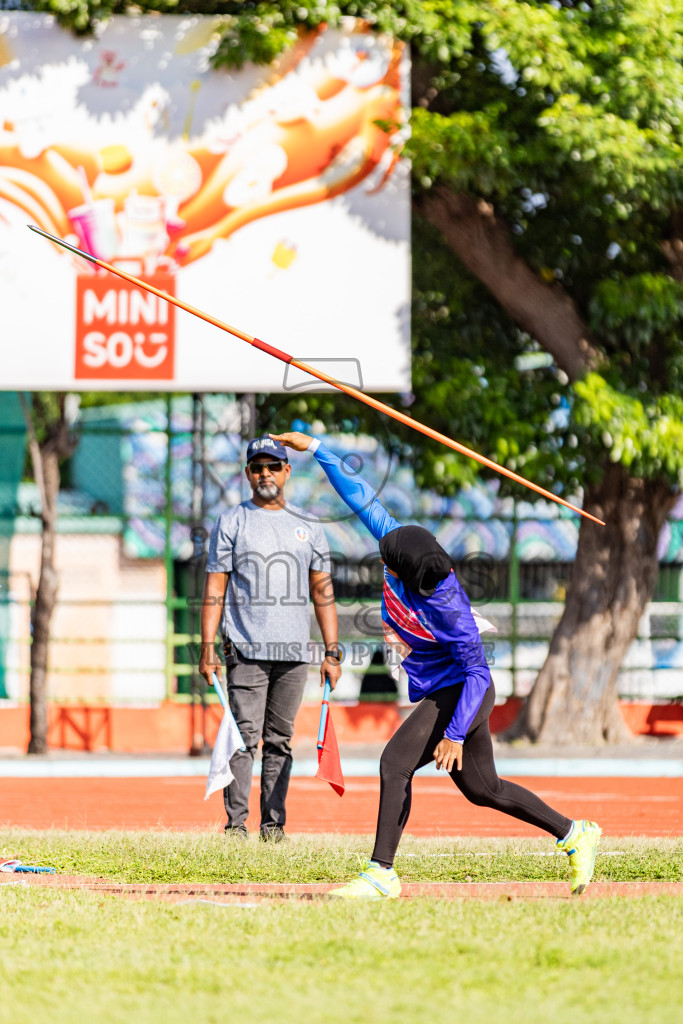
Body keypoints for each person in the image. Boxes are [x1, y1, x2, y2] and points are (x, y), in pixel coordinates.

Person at [271, 431, 601, 895]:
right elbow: (363, 497)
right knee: (484, 789)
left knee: (395, 763)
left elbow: (478, 674)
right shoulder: (396, 544)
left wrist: (452, 734)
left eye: (399, 573)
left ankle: (381, 873)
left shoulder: (446, 606)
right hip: (444, 687)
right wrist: (319, 447)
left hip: (464, 690)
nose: (393, 574)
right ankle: (575, 833)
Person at [199, 435, 342, 841]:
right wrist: (208, 647)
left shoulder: (309, 525)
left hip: (295, 655)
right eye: (258, 467)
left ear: (287, 471)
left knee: (280, 741)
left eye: (273, 466)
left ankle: (273, 826)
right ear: (247, 474)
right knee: (244, 739)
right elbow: (214, 590)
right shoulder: (232, 521)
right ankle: (236, 826)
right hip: (245, 650)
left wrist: (332, 652)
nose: (266, 473)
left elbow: (323, 592)